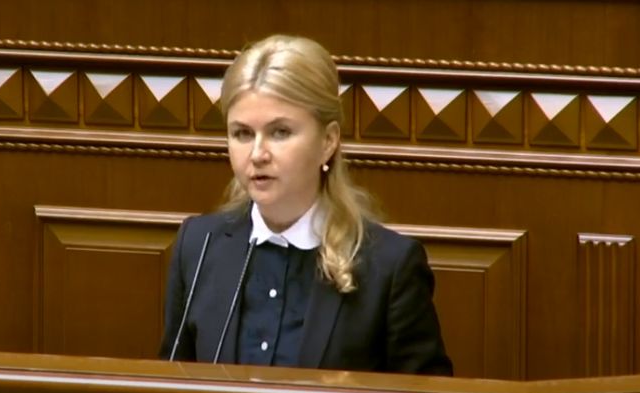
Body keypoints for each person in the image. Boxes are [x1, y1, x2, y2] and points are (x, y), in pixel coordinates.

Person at [158, 34, 452, 375]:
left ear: (328, 141)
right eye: (242, 134)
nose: (257, 154)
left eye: (280, 132)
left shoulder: (389, 267)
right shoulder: (198, 246)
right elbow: (173, 384)